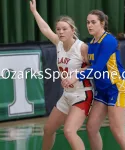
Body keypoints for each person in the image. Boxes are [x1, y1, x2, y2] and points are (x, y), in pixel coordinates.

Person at [62, 10, 125, 150]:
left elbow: (97, 69)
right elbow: (91, 67)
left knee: (118, 132)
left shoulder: (108, 40)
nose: (89, 25)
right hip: (102, 90)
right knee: (91, 128)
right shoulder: (91, 43)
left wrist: (75, 77)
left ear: (102, 23)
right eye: (88, 22)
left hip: (117, 88)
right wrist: (73, 74)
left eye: (93, 22)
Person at [30, 0, 93, 150]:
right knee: (48, 130)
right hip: (67, 95)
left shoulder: (82, 47)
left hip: (82, 94)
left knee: (69, 131)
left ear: (72, 30)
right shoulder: (59, 43)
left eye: (64, 29)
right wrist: (34, 11)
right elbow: (45, 29)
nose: (60, 32)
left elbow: (95, 68)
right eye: (58, 29)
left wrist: (76, 74)